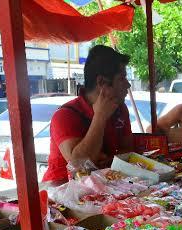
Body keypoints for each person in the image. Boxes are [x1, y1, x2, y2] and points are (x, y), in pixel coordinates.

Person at [43, 45, 132, 183]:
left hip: (106, 189)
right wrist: (100, 117)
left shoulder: (120, 110)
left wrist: (109, 159)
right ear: (101, 82)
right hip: (63, 194)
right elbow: (79, 165)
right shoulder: (65, 116)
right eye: (122, 78)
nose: (128, 85)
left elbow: (128, 150)